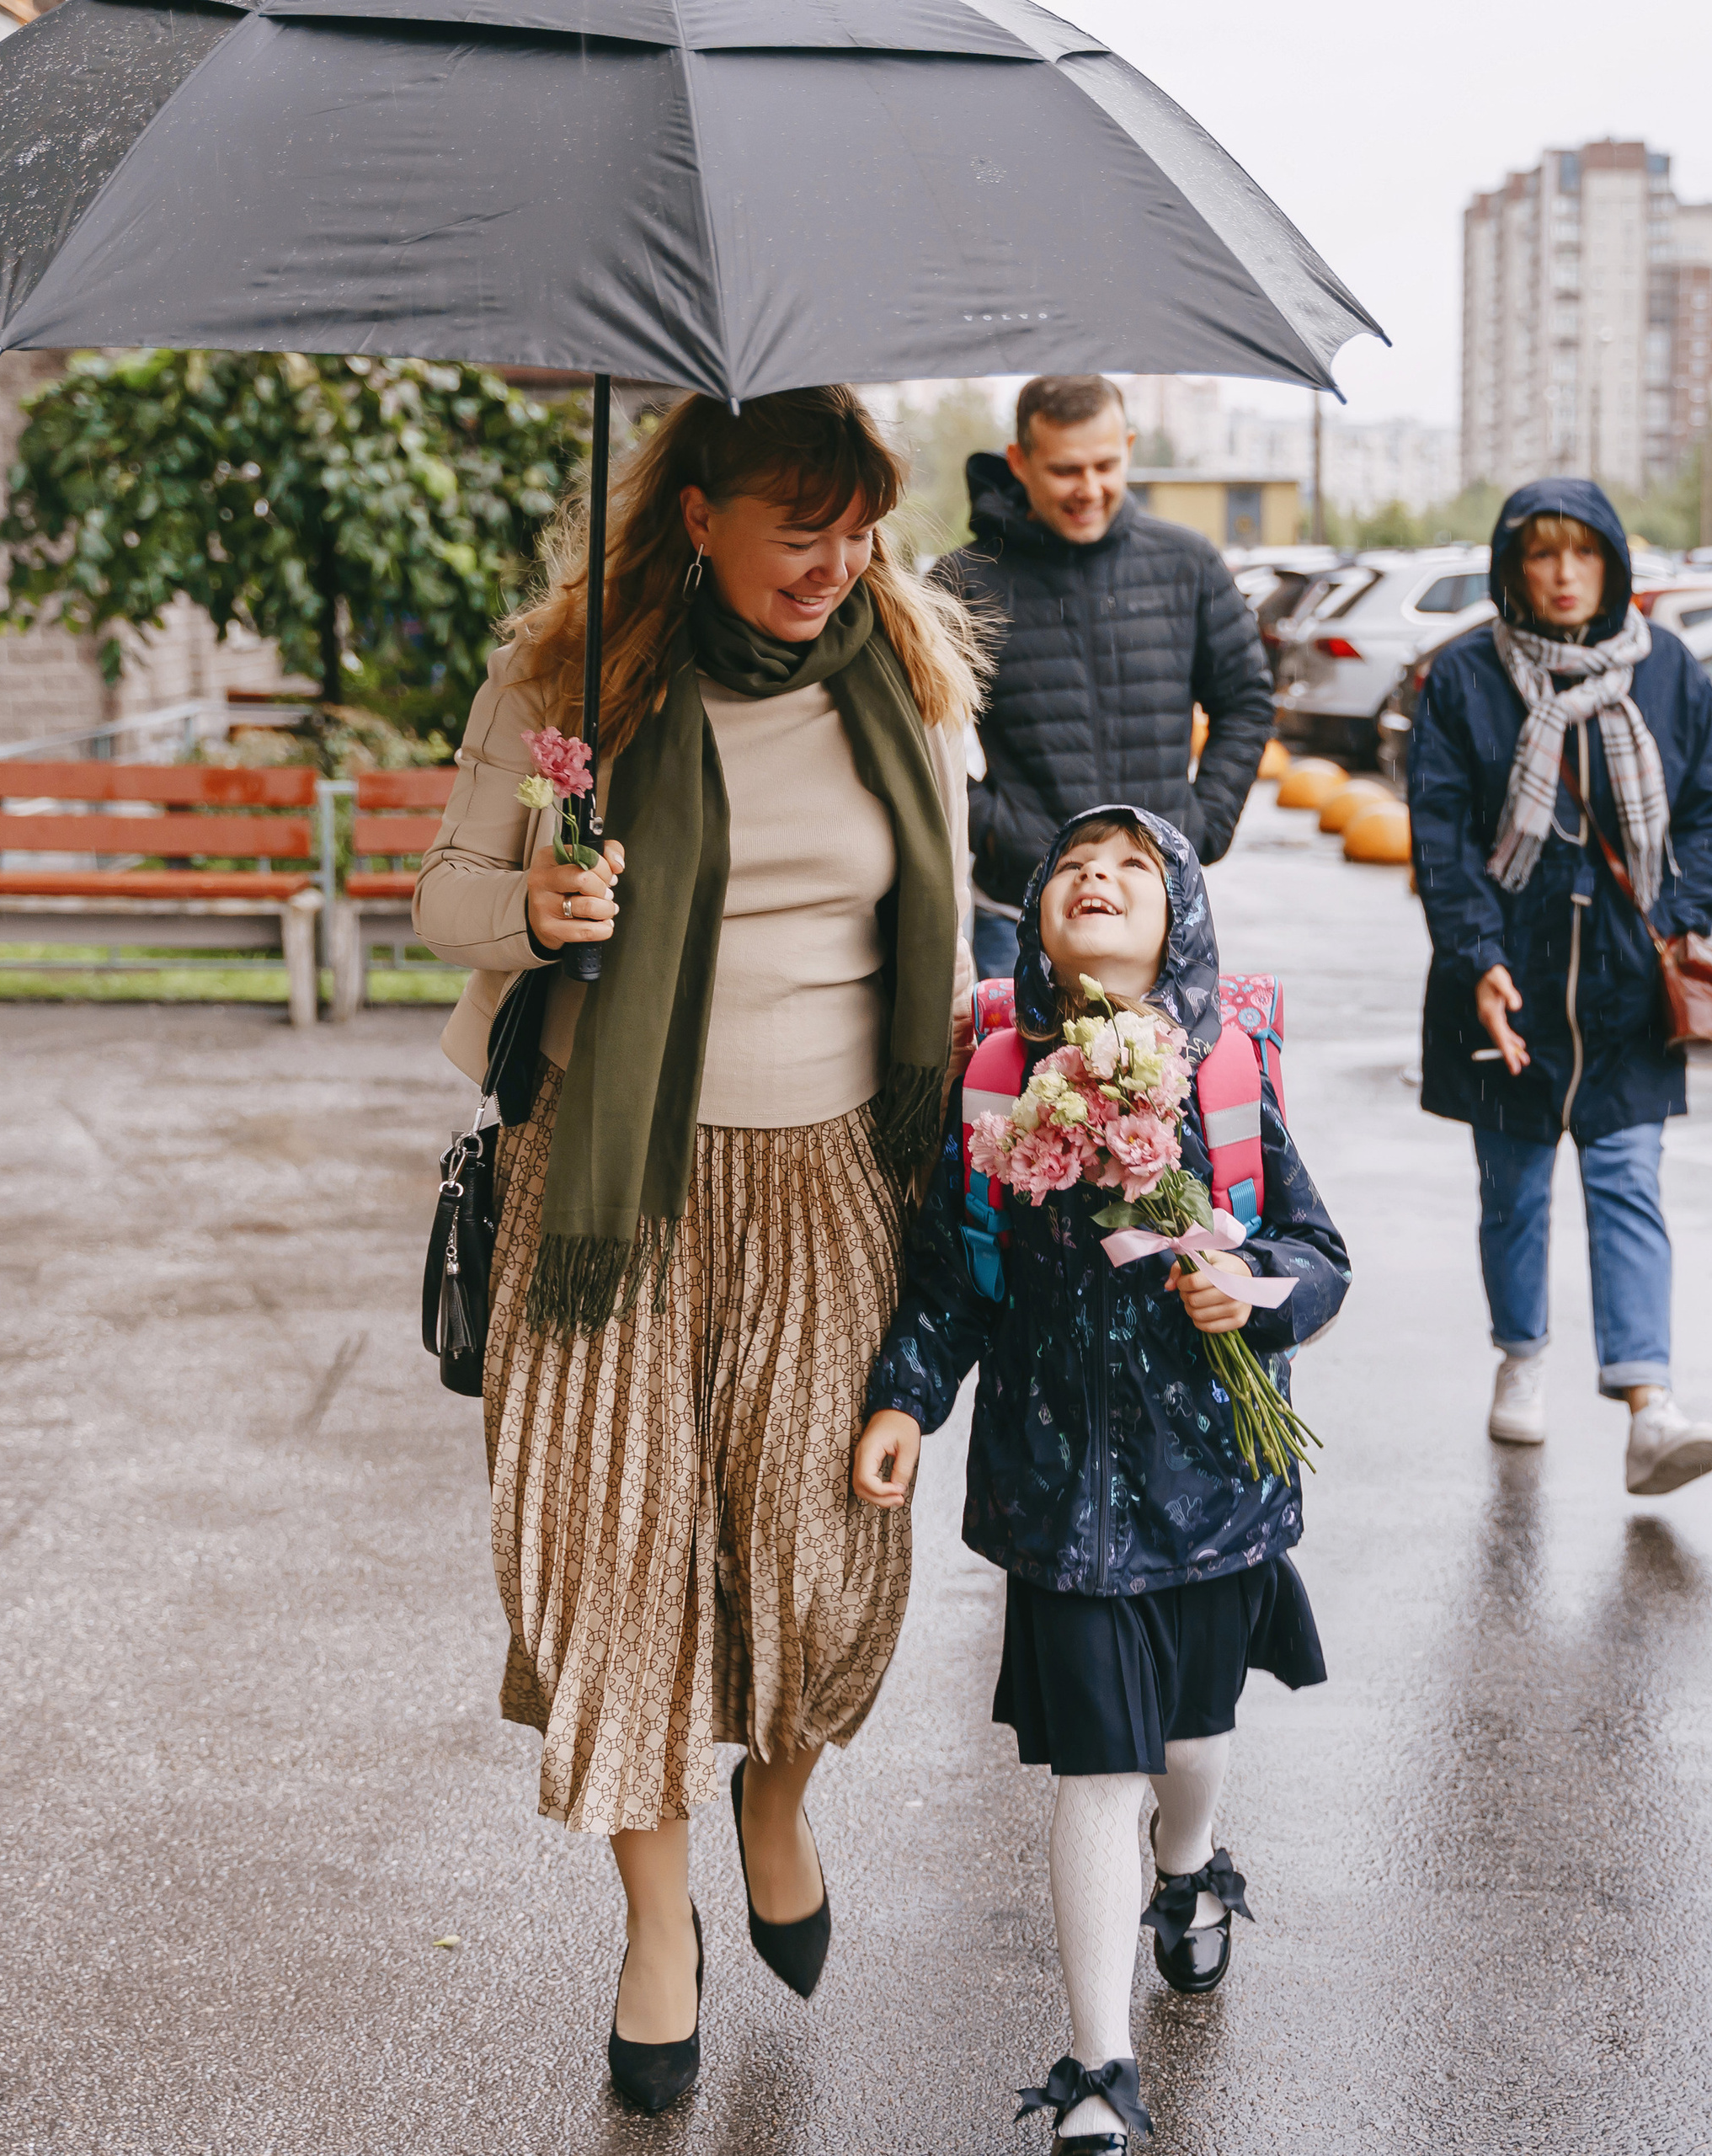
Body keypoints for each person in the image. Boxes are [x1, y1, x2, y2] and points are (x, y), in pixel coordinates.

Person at [411, 387, 984, 2112]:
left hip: (830, 1189)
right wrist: (532, 906)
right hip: (604, 1190)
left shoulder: (910, 680)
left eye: (858, 520)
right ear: (698, 516)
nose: (837, 559)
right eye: (797, 522)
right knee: (609, 1559)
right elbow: (438, 889)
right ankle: (655, 1927)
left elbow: (948, 928)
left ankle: (779, 1797)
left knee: (818, 1568)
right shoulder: (568, 680)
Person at [854, 807, 1350, 2153]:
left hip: (1208, 1489)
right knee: (1096, 1773)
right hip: (1060, 1498)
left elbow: (1318, 1251)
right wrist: (907, 1398)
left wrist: (1254, 1294)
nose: (1100, 880)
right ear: (1038, 919)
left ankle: (1189, 1871)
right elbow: (956, 1275)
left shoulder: (1227, 1071)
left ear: (1181, 919)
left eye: (1135, 870)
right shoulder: (1000, 1078)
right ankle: (1096, 2067)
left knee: (1188, 1747)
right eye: (1074, 867)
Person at [1407, 478, 1712, 1497]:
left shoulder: (1667, 671)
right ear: (1512, 565)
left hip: (1626, 988)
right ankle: (1521, 1355)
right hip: (1505, 976)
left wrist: (1676, 920)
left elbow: (1711, 809)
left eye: (1580, 555)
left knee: (1628, 1181)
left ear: (1611, 565)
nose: (1560, 576)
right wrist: (1479, 958)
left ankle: (1649, 1406)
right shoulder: (1466, 675)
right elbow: (1442, 832)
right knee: (1512, 1192)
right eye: (1540, 555)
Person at [935, 375, 1274, 982]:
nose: (1089, 489)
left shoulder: (1187, 563)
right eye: (1067, 470)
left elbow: (1245, 702)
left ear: (1130, 447)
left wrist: (1202, 825)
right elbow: (914, 729)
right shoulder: (965, 583)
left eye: (1106, 465)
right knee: (1010, 1081)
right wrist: (993, 829)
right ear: (1020, 461)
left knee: (1156, 1080)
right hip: (1017, 914)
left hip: (1159, 917)